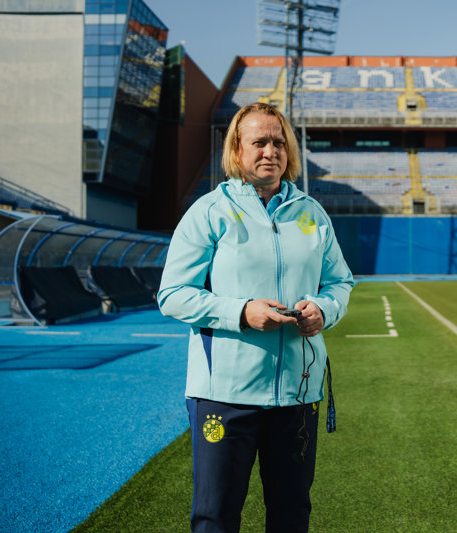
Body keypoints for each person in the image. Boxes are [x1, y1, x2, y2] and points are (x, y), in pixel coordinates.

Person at [158, 102, 354, 533]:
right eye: (259, 142)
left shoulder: (312, 213)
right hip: (225, 395)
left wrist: (324, 309)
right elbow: (172, 295)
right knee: (215, 517)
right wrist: (241, 312)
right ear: (236, 149)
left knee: (291, 516)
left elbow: (340, 282)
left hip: (297, 394)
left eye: (279, 142)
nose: (271, 151)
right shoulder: (209, 211)